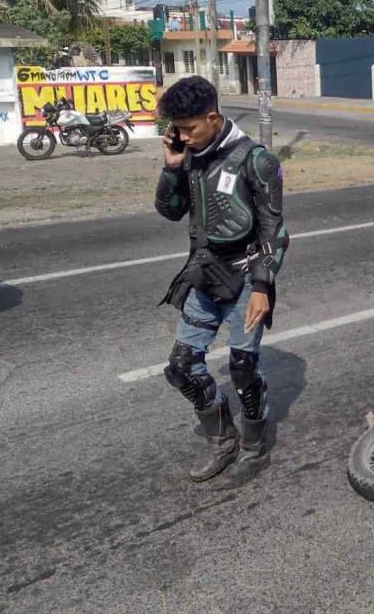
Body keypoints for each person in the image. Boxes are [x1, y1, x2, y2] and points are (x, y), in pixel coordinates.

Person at [154, 76, 289, 482]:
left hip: (248, 276)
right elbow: (170, 211)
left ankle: (254, 445)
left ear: (213, 117)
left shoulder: (256, 160)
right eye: (176, 128)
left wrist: (263, 287)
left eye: (189, 128)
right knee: (180, 367)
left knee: (242, 365)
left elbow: (274, 230)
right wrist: (172, 168)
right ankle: (223, 437)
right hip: (205, 274)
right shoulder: (190, 153)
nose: (182, 136)